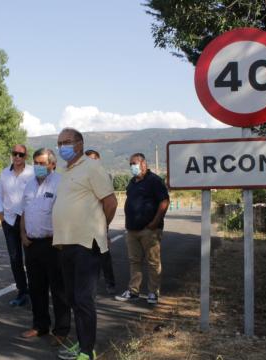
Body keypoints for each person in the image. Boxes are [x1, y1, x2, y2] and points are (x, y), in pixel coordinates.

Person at [53, 128, 118, 360]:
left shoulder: (92, 167)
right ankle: (82, 343)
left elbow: (110, 202)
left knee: (83, 299)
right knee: (72, 298)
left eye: (67, 142)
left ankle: (87, 351)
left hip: (86, 244)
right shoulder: (63, 170)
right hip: (66, 243)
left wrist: (101, 227)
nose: (63, 147)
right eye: (60, 143)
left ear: (80, 144)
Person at [19, 148, 71, 346]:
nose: (38, 167)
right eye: (36, 163)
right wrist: (23, 234)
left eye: (42, 163)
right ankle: (40, 325)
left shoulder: (61, 183)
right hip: (31, 244)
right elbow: (24, 211)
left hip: (53, 244)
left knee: (59, 289)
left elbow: (66, 213)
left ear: (52, 164)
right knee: (36, 288)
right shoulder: (29, 185)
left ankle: (61, 330)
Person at [115, 153, 169, 305]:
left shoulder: (154, 181)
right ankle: (133, 291)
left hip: (149, 230)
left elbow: (164, 201)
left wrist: (155, 222)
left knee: (153, 262)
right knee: (134, 261)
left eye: (135, 163)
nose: (132, 166)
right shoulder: (132, 182)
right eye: (131, 164)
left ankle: (153, 292)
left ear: (144, 163)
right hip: (132, 230)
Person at [0, 144, 34, 306]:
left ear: (26, 156)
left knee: (31, 258)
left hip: (29, 220)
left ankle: (35, 290)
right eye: (15, 154)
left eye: (21, 154)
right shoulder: (4, 174)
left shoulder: (32, 172)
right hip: (10, 221)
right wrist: (2, 217)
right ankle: (22, 291)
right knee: (15, 258)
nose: (17, 157)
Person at [84, 149, 117, 295]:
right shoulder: (83, 177)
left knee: (103, 254)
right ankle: (92, 285)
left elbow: (109, 203)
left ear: (99, 160)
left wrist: (105, 225)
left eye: (93, 159)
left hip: (99, 221)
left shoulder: (104, 176)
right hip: (84, 223)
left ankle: (110, 283)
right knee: (87, 256)